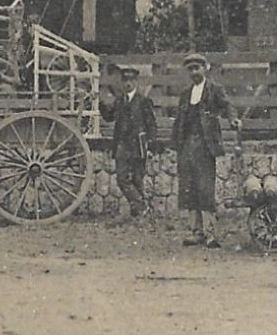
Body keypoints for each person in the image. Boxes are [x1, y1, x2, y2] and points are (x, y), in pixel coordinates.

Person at [170, 53, 240, 248]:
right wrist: (175, 144)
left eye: (197, 68)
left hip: (205, 146)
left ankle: (211, 233)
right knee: (189, 189)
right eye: (190, 69)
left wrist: (233, 119)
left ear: (205, 68)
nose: (194, 72)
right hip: (186, 147)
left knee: (205, 189)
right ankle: (196, 232)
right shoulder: (185, 94)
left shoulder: (214, 90)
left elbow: (228, 105)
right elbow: (179, 121)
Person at [100, 64, 159, 217]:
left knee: (138, 180)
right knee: (121, 179)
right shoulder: (119, 101)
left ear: (136, 82)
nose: (128, 83)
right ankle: (142, 207)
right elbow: (109, 117)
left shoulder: (144, 101)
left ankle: (137, 214)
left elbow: (152, 125)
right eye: (125, 80)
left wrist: (151, 146)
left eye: (131, 80)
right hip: (122, 146)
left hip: (138, 145)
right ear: (121, 82)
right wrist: (100, 103)